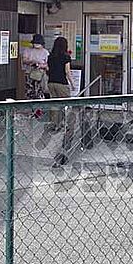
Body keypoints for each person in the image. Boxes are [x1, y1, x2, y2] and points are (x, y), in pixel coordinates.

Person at [47, 37, 78, 167]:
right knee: (66, 105)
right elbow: (67, 72)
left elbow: (48, 69)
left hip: (51, 83)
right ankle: (66, 125)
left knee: (55, 104)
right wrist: (73, 84)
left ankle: (55, 124)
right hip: (61, 84)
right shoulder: (65, 57)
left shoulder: (50, 56)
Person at [22, 34, 49, 101]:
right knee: (29, 91)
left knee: (40, 91)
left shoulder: (45, 52)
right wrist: (32, 61)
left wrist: (41, 65)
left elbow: (48, 65)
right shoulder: (28, 50)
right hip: (29, 73)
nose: (37, 45)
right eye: (35, 43)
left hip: (40, 74)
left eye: (38, 43)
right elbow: (24, 60)